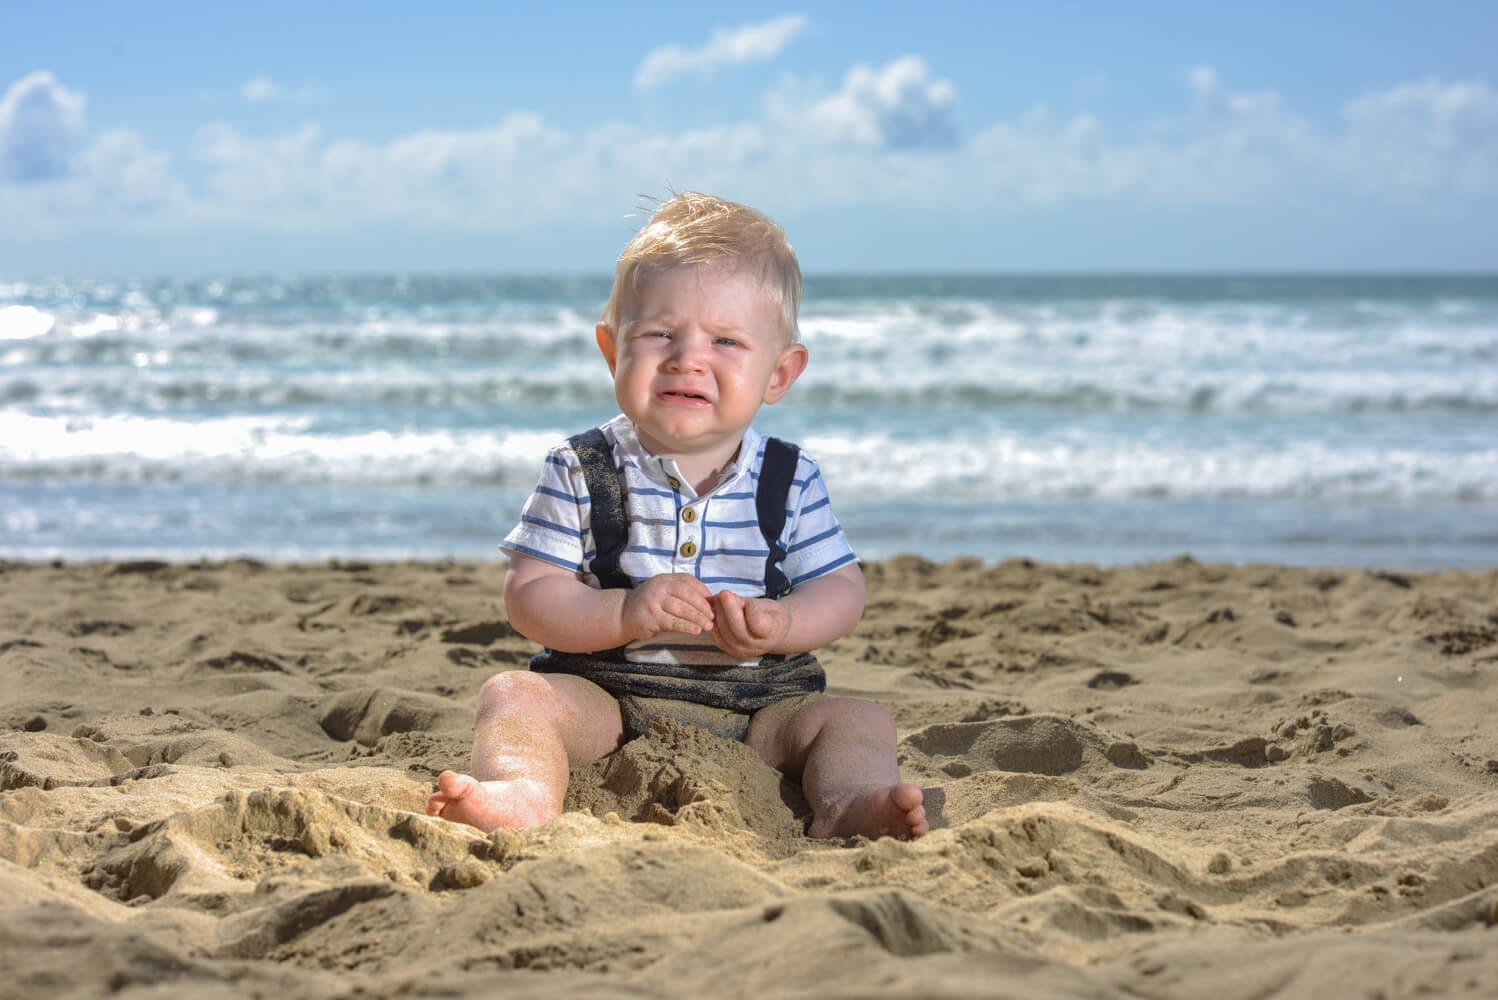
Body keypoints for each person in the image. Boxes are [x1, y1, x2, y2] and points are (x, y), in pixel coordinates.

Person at [426, 192, 927, 840]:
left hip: (762, 709)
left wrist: (784, 623)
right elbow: (531, 596)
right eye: (660, 334)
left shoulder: (788, 478)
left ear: (779, 374)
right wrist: (624, 613)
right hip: (610, 705)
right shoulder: (581, 467)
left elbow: (840, 588)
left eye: (726, 341)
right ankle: (523, 792)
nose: (687, 358)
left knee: (859, 722)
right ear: (613, 350)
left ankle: (851, 803)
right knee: (514, 696)